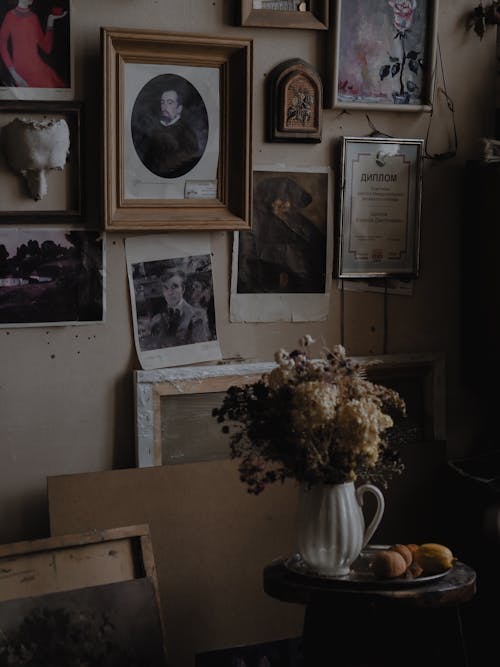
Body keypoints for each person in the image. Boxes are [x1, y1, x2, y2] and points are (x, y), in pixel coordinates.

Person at [237, 175, 326, 294]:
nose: (286, 204)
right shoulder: (256, 222)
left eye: (290, 200)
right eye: (280, 199)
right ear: (269, 200)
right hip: (275, 285)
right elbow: (246, 259)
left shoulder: (301, 222)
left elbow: (319, 245)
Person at [0, 0, 68, 88]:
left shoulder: (33, 17)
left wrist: (50, 20)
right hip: (20, 71)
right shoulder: (10, 16)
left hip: (38, 68)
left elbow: (46, 48)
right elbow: (2, 45)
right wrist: (14, 74)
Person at [141, 88, 203, 178]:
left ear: (179, 109)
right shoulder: (153, 131)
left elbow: (189, 164)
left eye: (170, 103)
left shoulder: (187, 133)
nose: (164, 107)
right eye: (162, 102)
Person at [150, 269, 211, 348]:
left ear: (183, 289)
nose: (170, 293)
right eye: (166, 288)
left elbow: (200, 350)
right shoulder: (156, 319)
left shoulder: (197, 316)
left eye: (174, 287)